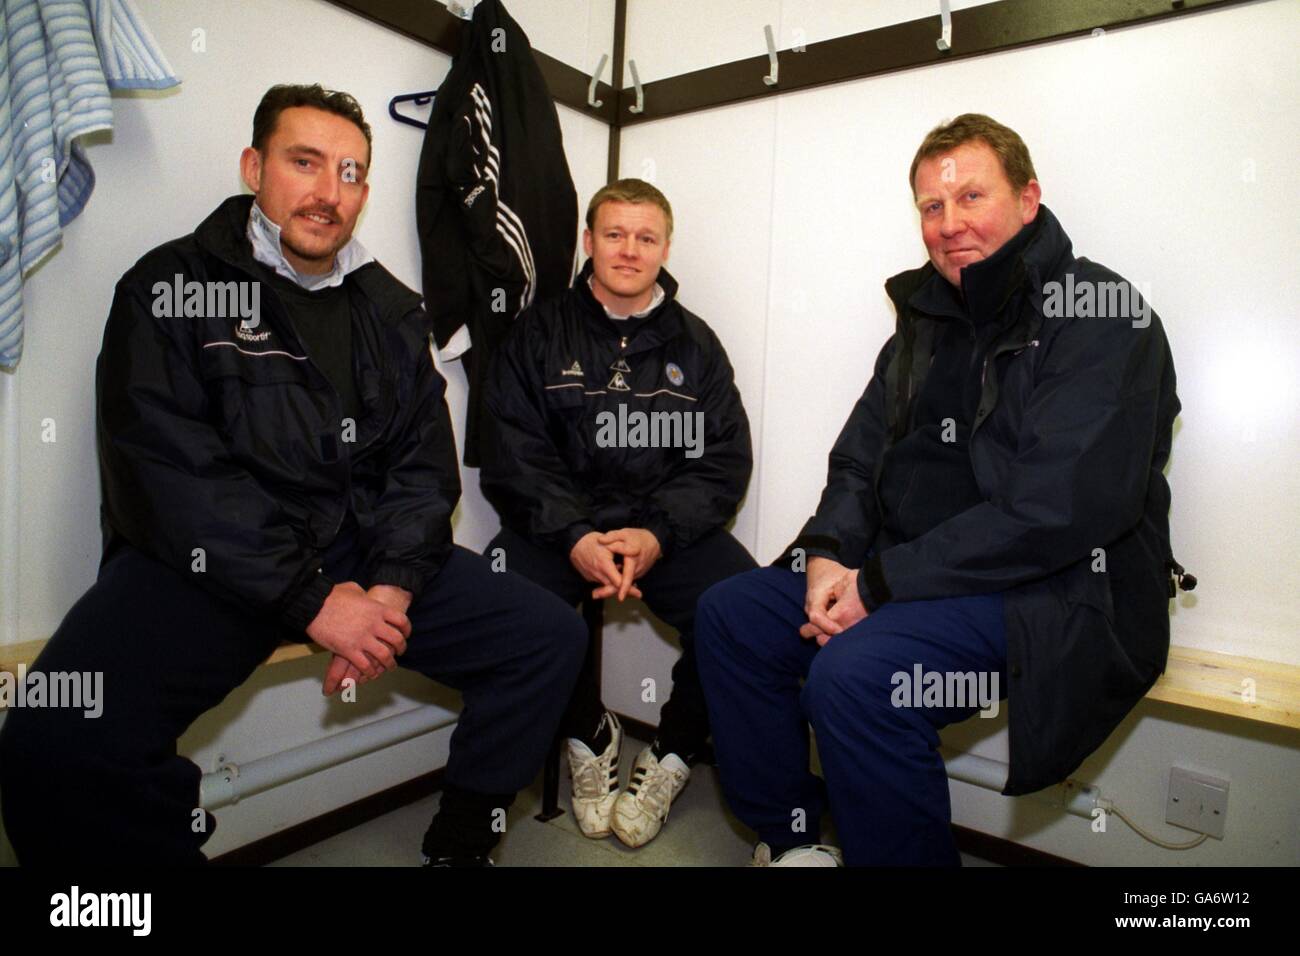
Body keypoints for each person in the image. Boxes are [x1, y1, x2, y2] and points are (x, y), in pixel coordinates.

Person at [0, 84, 586, 866]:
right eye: (304, 163)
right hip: (210, 564)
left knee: (547, 634)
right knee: (53, 738)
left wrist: (391, 587)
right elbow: (169, 473)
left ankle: (462, 840)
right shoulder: (171, 286)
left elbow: (421, 468)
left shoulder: (389, 309)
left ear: (366, 192)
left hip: (359, 553)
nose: (327, 192)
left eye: (349, 173)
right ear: (254, 167)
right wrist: (310, 600)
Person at [694, 114, 1182, 866]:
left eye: (971, 197)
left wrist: (880, 585)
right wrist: (826, 555)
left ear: (1029, 199)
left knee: (855, 680)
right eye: (931, 206)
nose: (949, 224)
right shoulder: (922, 322)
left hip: (1047, 587)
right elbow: (857, 460)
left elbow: (1057, 511)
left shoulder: (1100, 315)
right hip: (907, 571)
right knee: (732, 613)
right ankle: (793, 842)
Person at [480, 179, 756, 848]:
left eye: (645, 237)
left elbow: (722, 459)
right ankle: (589, 732)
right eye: (613, 234)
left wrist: (657, 533)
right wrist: (574, 534)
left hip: (663, 531)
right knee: (500, 602)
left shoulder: (697, 345)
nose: (628, 250)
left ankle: (673, 753)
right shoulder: (538, 332)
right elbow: (511, 452)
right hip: (559, 528)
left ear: (665, 246)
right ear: (588, 241)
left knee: (743, 610)